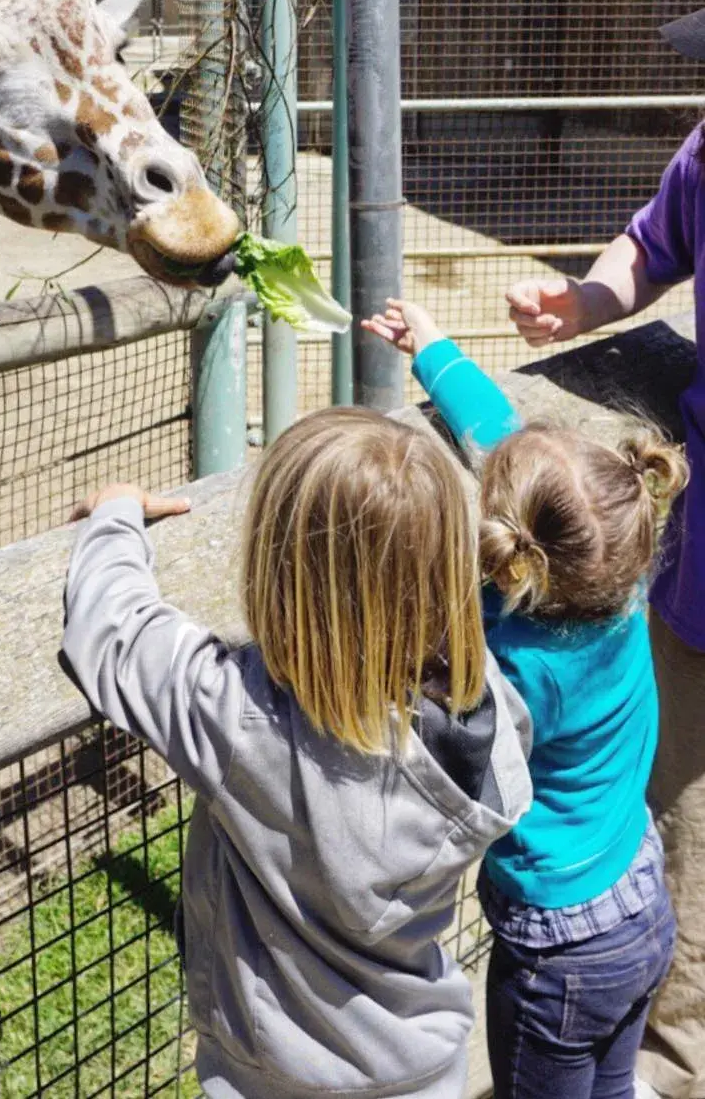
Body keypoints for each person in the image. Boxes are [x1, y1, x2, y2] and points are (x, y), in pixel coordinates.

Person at [61, 407, 533, 1099]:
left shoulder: (240, 718)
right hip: (425, 1064)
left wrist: (115, 514)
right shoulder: (487, 705)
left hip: (275, 1076)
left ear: (282, 571)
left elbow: (110, 629)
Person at [363, 296, 684, 1099]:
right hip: (641, 895)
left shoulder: (508, 662)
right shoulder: (624, 575)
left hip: (558, 947)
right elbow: (499, 433)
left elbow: (428, 714)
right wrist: (433, 348)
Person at [505, 90, 705, 1099]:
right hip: (700, 584)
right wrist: (585, 303)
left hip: (555, 942)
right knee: (680, 823)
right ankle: (670, 1072)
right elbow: (650, 241)